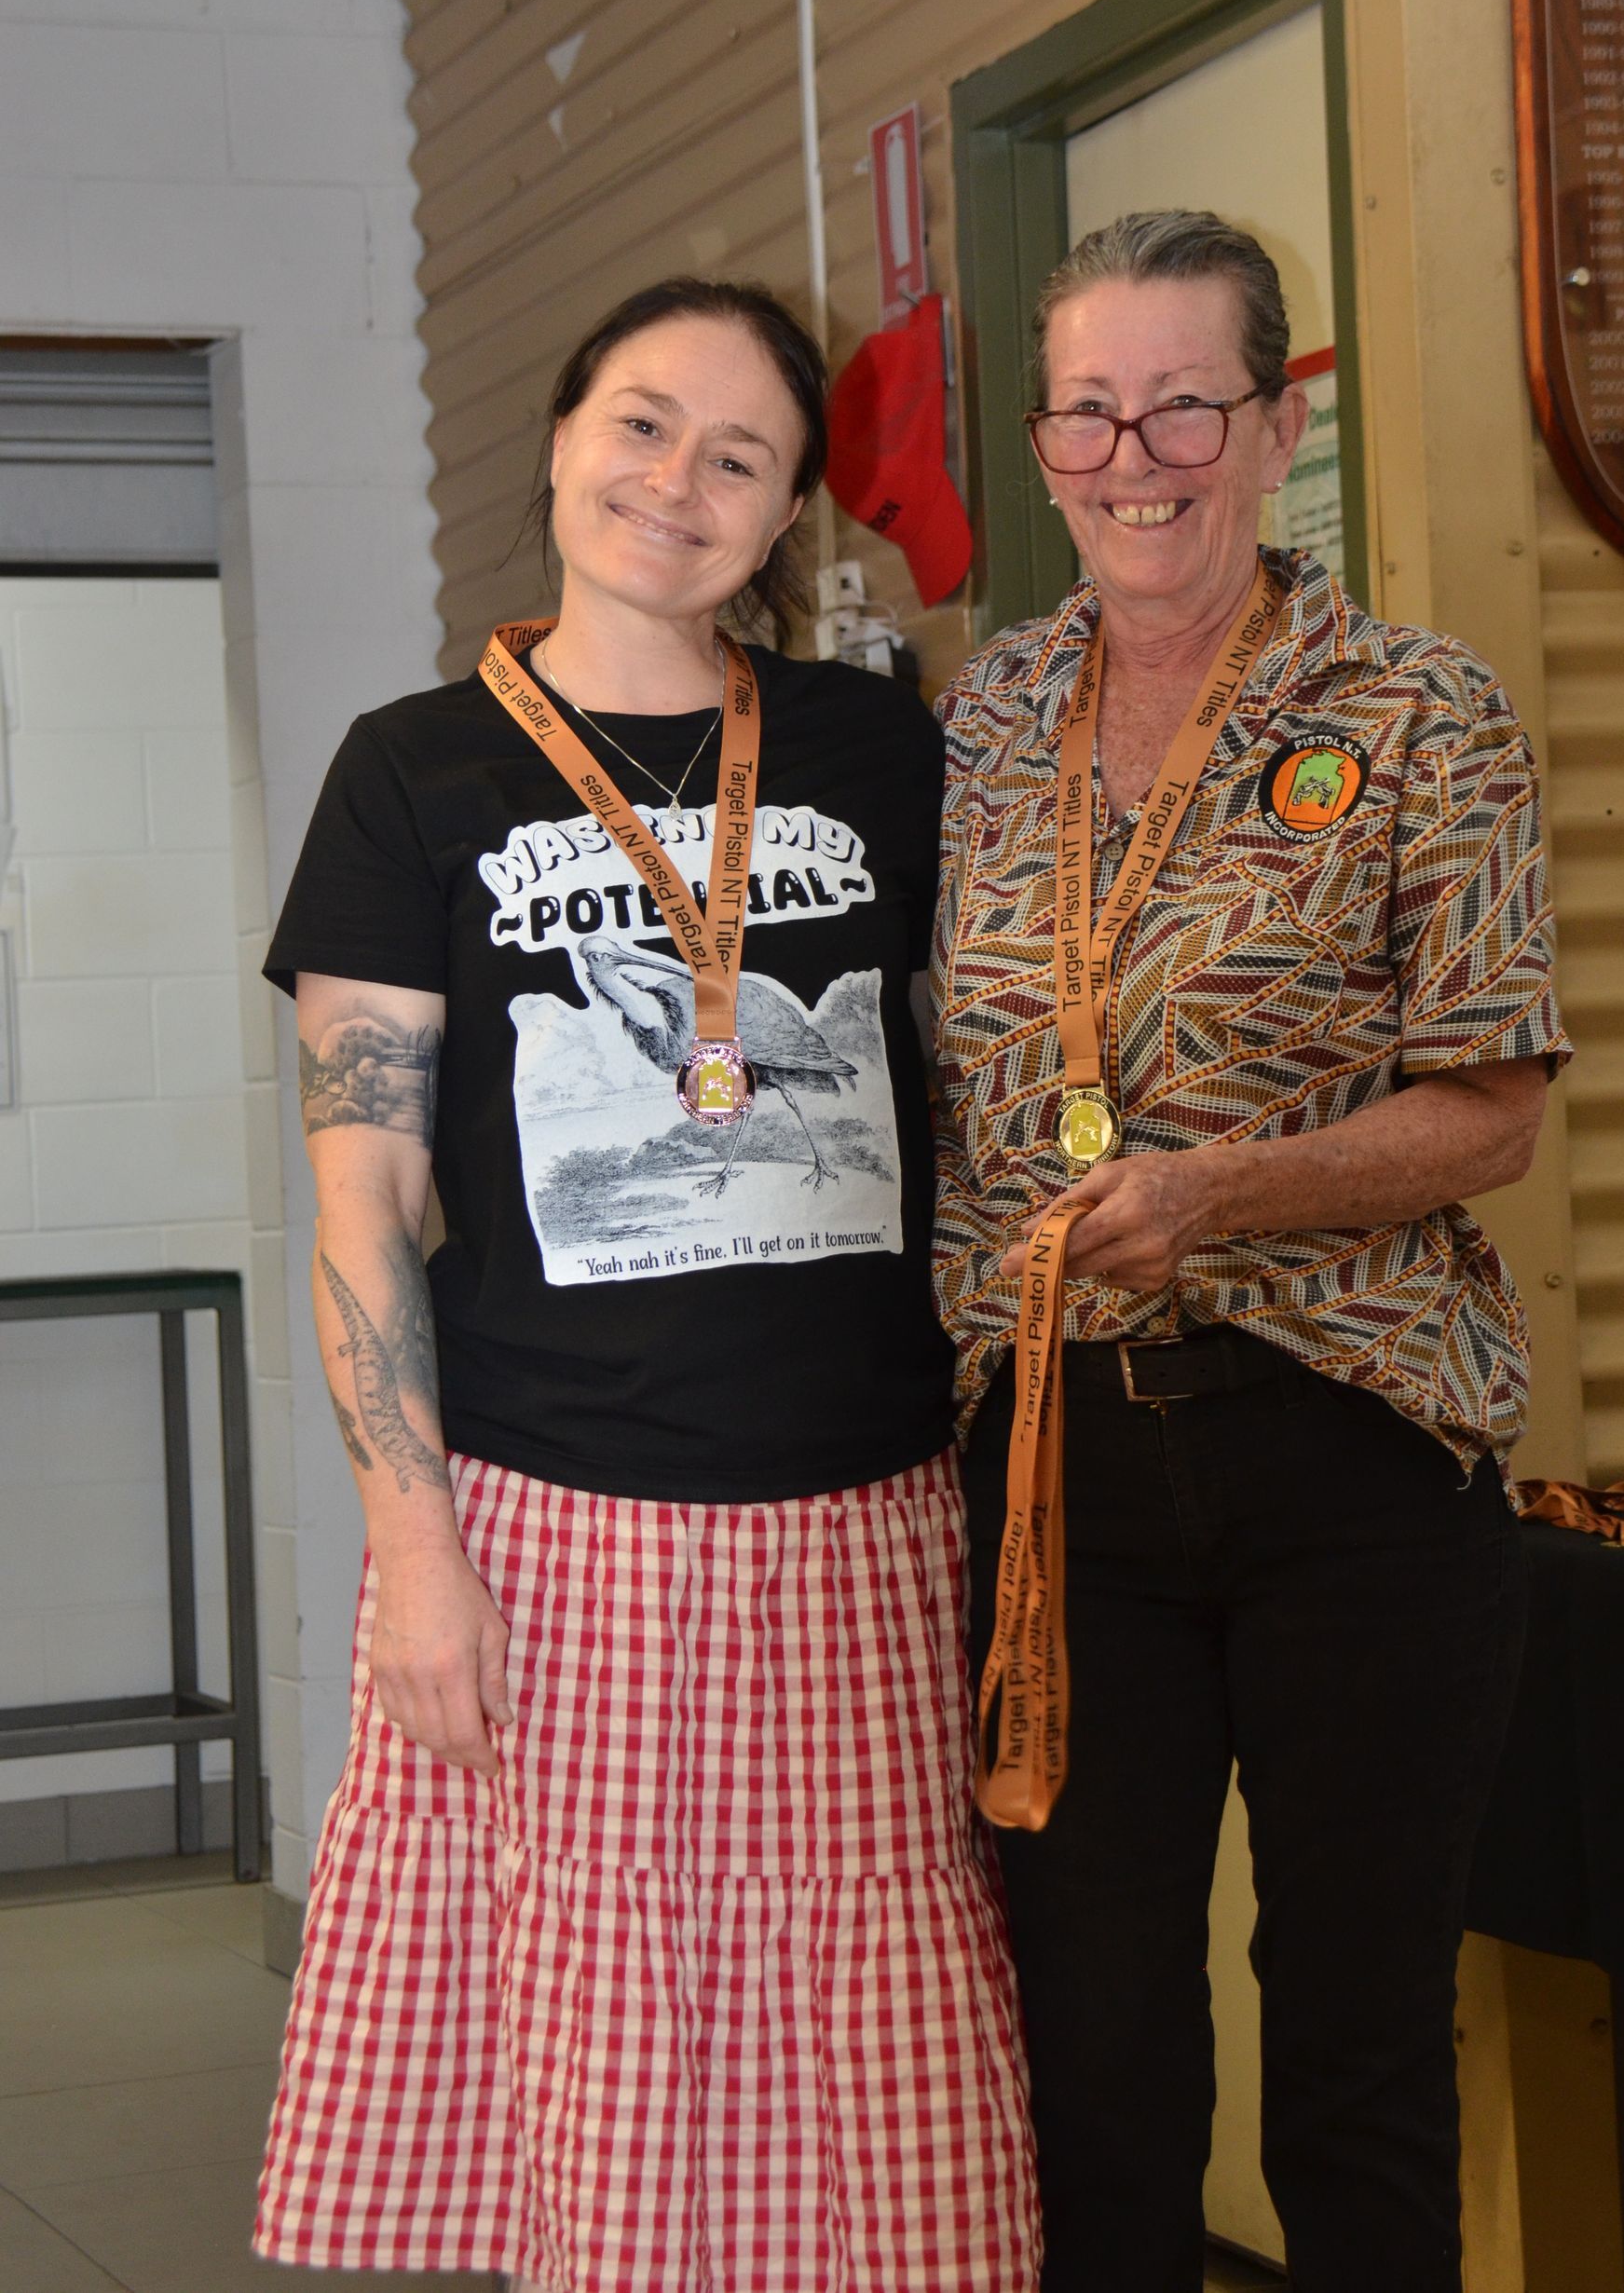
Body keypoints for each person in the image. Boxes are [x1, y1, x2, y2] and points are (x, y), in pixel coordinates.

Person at [253, 278, 1040, 2291]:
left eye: (738, 455)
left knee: (886, 2089)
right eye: (639, 422)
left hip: (864, 1510)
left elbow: (1009, 1052)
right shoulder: (411, 769)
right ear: (559, 437)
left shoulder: (880, 747)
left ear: (787, 519)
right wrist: (412, 1547)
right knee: (610, 2102)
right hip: (554, 1517)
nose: (674, 482)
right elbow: (364, 1201)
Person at [931, 212, 1570, 2293]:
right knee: (1099, 2057)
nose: (1140, 455)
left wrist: (1215, 1192)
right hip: (1063, 1479)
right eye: (1092, 411)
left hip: (1355, 1456)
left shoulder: (1415, 711)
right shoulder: (980, 725)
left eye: (1186, 402)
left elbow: (1495, 1105)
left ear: (1278, 420)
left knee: (1355, 2054)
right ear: (1043, 447)